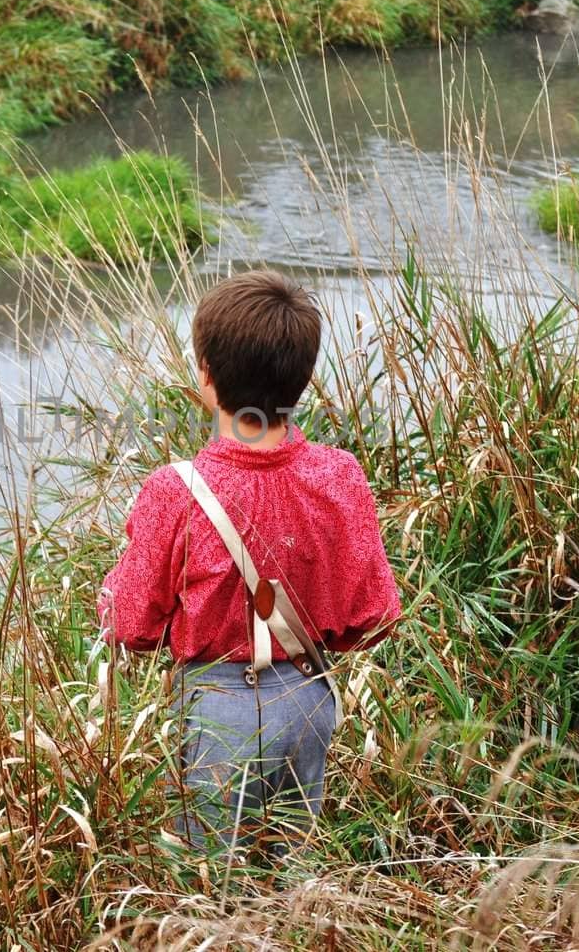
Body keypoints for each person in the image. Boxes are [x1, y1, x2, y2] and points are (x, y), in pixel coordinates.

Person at [98, 270, 401, 854]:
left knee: (209, 883)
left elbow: (129, 625)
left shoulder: (176, 490)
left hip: (218, 712)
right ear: (304, 378)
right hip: (308, 702)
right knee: (288, 874)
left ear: (206, 377)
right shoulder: (339, 475)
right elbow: (375, 615)